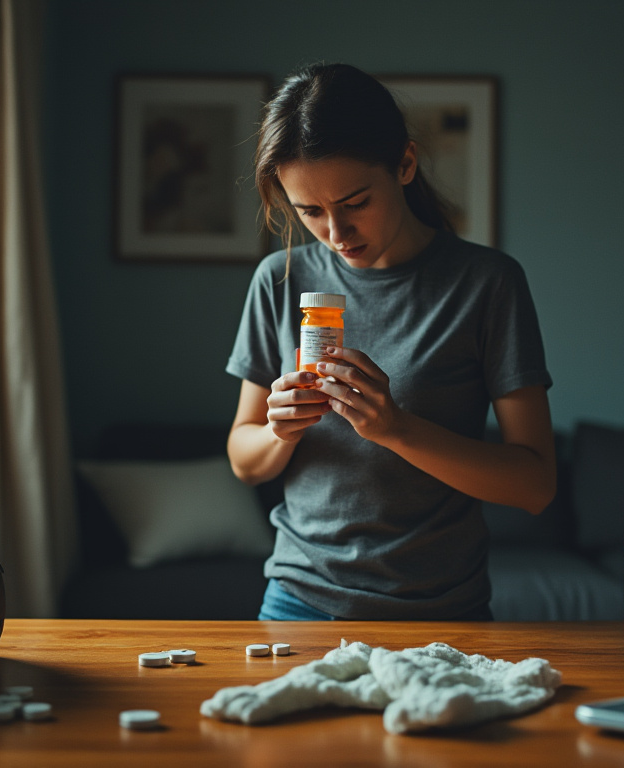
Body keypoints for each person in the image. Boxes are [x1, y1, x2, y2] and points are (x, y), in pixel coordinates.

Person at [225, 63, 556, 621]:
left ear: (405, 163)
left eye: (355, 202)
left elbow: (536, 485)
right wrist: (280, 432)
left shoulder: (487, 283)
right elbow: (244, 460)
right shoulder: (279, 280)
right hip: (298, 602)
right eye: (309, 211)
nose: (335, 233)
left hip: (441, 611)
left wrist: (397, 429)